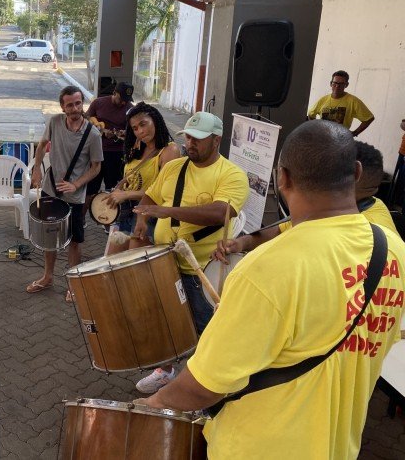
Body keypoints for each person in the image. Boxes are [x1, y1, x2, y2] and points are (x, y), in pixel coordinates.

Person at [138, 120, 405, 459]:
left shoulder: (268, 269)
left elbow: (204, 385)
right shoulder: (394, 251)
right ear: (355, 172)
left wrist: (155, 403)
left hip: (257, 447)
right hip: (339, 448)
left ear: (283, 178)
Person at [131, 111, 248, 393]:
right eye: (187, 138)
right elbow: (151, 196)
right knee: (167, 322)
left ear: (217, 139)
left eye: (198, 139)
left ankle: (207, 385)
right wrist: (142, 220)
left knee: (205, 329)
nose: (190, 144)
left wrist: (167, 211)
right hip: (164, 263)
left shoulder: (232, 175)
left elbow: (220, 212)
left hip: (203, 268)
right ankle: (168, 370)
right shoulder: (175, 167)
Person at [215, 139, 397, 261]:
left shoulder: (370, 233)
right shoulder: (343, 206)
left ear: (355, 175)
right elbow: (281, 229)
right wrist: (242, 242)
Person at [26, 85, 104, 302]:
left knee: (74, 241)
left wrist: (76, 184)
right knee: (50, 236)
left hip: (76, 197)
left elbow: (96, 167)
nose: (75, 108)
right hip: (50, 189)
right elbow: (41, 146)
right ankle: (47, 277)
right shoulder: (54, 122)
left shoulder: (93, 134)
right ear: (62, 107)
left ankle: (73, 283)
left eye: (78, 103)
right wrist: (37, 169)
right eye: (69, 104)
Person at [103, 102, 181, 254]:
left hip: (147, 214)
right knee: (111, 261)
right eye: (135, 128)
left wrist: (126, 194)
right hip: (125, 211)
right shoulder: (138, 145)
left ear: (155, 120)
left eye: (143, 124)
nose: (140, 131)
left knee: (133, 266)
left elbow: (163, 192)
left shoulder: (169, 150)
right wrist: (120, 188)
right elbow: (130, 175)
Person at [84, 82, 133, 221]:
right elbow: (87, 117)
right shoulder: (99, 103)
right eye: (121, 97)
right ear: (114, 93)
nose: (123, 102)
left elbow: (133, 129)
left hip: (117, 154)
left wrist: (125, 133)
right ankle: (81, 219)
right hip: (96, 152)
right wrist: (101, 129)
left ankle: (109, 220)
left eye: (127, 99)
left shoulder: (130, 108)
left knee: (113, 188)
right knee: (90, 188)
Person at [307, 70, 374, 136]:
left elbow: (369, 118)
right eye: (335, 83)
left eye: (341, 84)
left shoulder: (353, 101)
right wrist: (317, 129)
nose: (337, 86)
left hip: (341, 141)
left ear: (346, 85)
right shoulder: (323, 100)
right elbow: (311, 115)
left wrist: (355, 133)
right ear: (331, 83)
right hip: (323, 138)